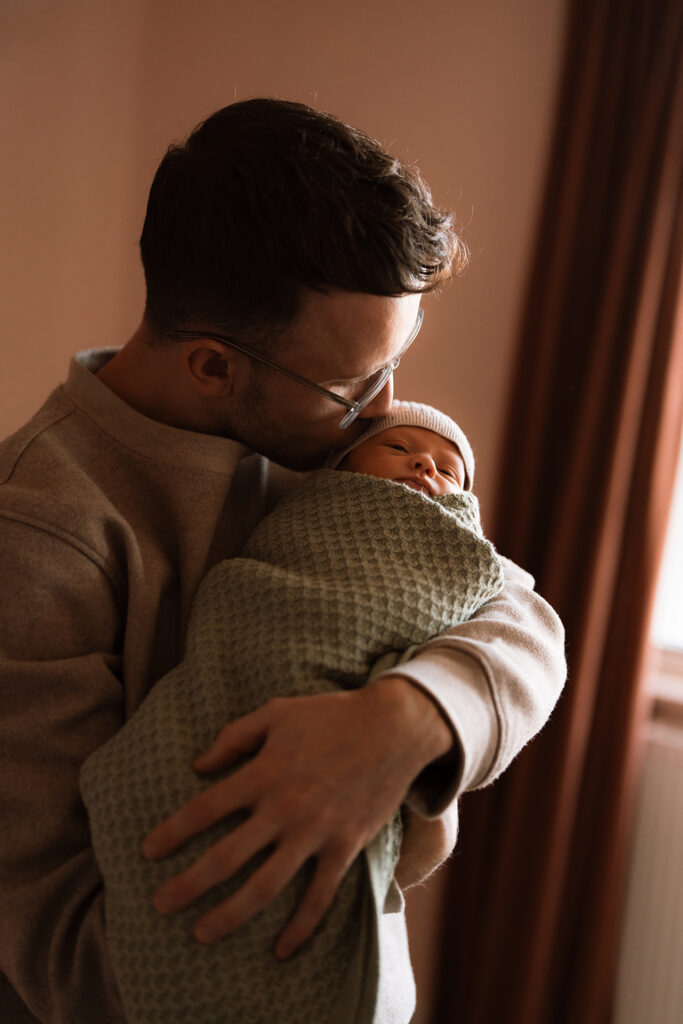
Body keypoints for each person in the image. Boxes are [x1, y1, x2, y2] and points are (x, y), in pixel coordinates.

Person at [0, 98, 566, 1024]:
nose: (386, 409)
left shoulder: (326, 446)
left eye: (393, 367)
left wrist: (411, 717)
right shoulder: (35, 534)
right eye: (352, 384)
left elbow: (523, 615)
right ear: (213, 368)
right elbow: (54, 947)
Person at [80, 401, 504, 1024]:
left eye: (449, 470)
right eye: (399, 449)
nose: (425, 467)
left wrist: (418, 717)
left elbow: (519, 610)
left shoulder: (459, 552)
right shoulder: (297, 506)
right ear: (342, 469)